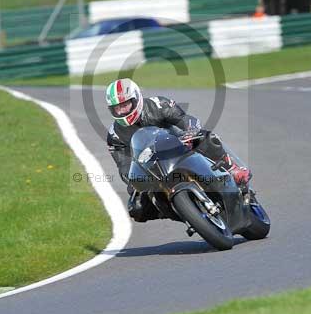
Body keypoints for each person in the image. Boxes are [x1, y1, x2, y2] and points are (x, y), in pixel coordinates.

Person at [105, 78, 252, 222]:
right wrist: (133, 182)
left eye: (126, 104)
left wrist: (191, 131)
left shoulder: (158, 105)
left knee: (206, 138)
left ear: (136, 99)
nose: (122, 110)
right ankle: (181, 212)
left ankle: (232, 168)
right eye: (118, 108)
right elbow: (124, 166)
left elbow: (186, 119)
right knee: (137, 208)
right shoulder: (115, 135)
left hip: (179, 145)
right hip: (153, 167)